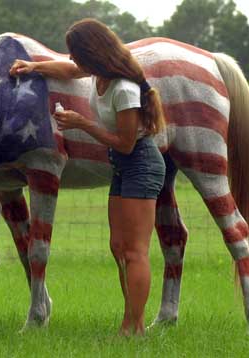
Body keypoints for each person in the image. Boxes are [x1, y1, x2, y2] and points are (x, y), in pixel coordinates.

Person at [9, 18, 166, 336]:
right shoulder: (99, 73)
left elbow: (126, 142)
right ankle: (130, 322)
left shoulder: (123, 88)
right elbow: (68, 70)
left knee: (135, 250)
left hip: (140, 163)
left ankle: (134, 327)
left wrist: (82, 123)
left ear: (93, 52)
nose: (73, 59)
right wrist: (32, 66)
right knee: (118, 246)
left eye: (76, 53)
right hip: (122, 165)